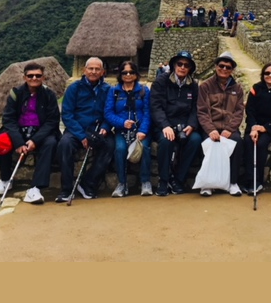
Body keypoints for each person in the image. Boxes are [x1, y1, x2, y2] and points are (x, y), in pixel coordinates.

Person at [0, 62, 61, 204]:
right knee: (1, 140)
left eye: (38, 75)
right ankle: (5, 179)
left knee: (50, 143)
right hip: (19, 131)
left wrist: (35, 140)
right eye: (30, 75)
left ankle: (35, 187)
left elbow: (52, 121)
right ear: (25, 77)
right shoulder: (15, 94)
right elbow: (8, 119)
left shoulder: (49, 95)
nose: (34, 78)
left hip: (41, 132)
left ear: (43, 77)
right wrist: (18, 142)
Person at [55, 57, 114, 202]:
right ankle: (67, 189)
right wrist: (81, 136)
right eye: (90, 68)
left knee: (110, 145)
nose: (93, 72)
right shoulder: (74, 88)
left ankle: (88, 184)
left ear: (102, 72)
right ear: (84, 70)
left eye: (97, 69)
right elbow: (67, 114)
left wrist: (106, 127)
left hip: (98, 129)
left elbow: (110, 112)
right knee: (65, 144)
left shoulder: (107, 90)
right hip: (77, 130)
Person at [150, 50, 202, 196]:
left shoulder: (193, 85)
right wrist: (165, 125)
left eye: (186, 65)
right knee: (166, 141)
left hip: (184, 125)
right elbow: (156, 106)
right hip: (165, 124)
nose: (182, 67)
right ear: (174, 65)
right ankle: (164, 180)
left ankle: (179, 179)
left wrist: (192, 124)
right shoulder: (161, 81)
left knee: (195, 140)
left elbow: (195, 108)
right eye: (180, 64)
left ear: (190, 68)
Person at [197, 51, 244, 197]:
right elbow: (202, 111)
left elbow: (239, 111)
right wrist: (210, 129)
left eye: (228, 67)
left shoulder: (237, 89)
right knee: (208, 143)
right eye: (221, 66)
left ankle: (233, 182)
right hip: (211, 126)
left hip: (229, 128)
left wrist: (230, 129)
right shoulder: (206, 86)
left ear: (232, 70)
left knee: (237, 142)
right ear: (216, 66)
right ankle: (207, 183)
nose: (224, 69)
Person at [104, 61, 152, 197]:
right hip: (122, 130)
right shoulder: (114, 91)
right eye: (125, 72)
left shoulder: (144, 91)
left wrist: (143, 130)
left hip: (141, 129)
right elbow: (108, 112)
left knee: (146, 148)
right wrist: (122, 122)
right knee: (120, 149)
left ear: (136, 74)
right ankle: (122, 183)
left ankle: (145, 181)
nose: (128, 75)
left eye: (131, 72)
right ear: (120, 74)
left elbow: (148, 112)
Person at [243, 63, 271, 195]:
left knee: (262, 144)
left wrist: (266, 128)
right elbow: (250, 110)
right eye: (267, 73)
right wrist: (253, 127)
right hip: (254, 126)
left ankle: (257, 182)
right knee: (248, 142)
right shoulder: (256, 89)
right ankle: (250, 181)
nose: (270, 76)